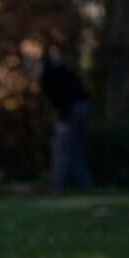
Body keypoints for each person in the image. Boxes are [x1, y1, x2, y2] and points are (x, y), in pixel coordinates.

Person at [37, 45, 93, 191]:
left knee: (61, 149)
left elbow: (61, 99)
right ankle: (83, 186)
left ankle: (58, 186)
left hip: (71, 113)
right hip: (82, 108)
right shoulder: (62, 70)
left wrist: (64, 120)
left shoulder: (49, 75)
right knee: (76, 150)